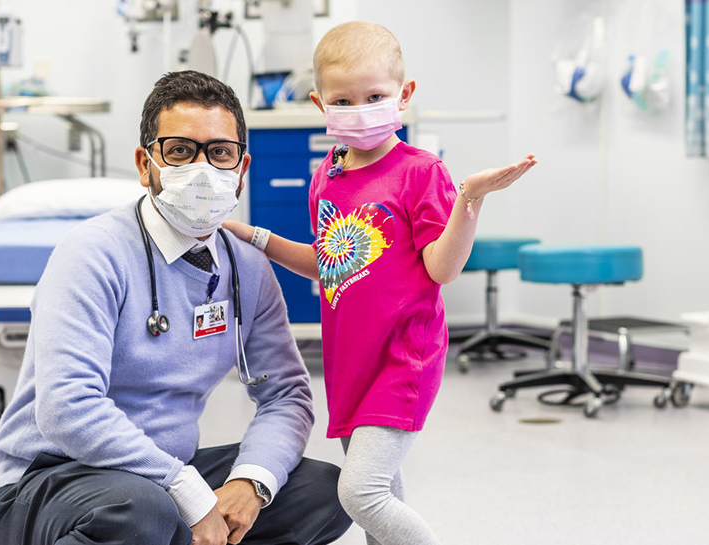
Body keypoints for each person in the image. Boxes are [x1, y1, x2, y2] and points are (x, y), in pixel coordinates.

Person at [0, 70, 353, 545]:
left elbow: (286, 395)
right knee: (143, 513)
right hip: (52, 479)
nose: (204, 170)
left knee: (326, 492)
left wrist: (250, 482)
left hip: (164, 474)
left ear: (241, 168)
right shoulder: (93, 253)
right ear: (145, 164)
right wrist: (188, 493)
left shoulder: (247, 268)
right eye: (180, 151)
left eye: (220, 153)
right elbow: (66, 408)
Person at [223, 21, 537, 545]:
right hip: (352, 362)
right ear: (320, 105)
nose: (360, 108)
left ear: (404, 94)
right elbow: (330, 265)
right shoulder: (328, 175)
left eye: (375, 95)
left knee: (360, 493)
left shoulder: (420, 172)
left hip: (402, 360)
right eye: (343, 100)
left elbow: (442, 268)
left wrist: (469, 200)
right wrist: (256, 237)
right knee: (383, 497)